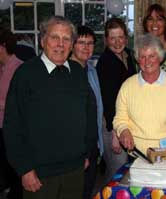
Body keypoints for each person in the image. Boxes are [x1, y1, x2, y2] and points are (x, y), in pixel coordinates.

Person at [3, 16, 96, 199]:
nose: (60, 44)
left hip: (75, 170)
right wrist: (24, 169)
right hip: (39, 174)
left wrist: (87, 152)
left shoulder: (78, 73)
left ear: (71, 44)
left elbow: (90, 115)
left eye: (66, 39)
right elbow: (12, 125)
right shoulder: (25, 74)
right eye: (55, 37)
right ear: (42, 41)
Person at [113, 33, 166, 155]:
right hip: (136, 154)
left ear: (160, 58)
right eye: (142, 57)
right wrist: (123, 130)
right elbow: (120, 119)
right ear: (137, 59)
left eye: (152, 56)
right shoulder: (127, 86)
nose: (147, 61)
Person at [96, 17, 137, 185]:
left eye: (120, 37)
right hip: (111, 126)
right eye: (112, 38)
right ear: (106, 40)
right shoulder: (106, 62)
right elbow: (108, 100)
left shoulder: (129, 56)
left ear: (126, 38)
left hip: (126, 123)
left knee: (121, 171)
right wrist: (115, 134)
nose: (117, 42)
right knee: (118, 171)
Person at [70, 25, 103, 199]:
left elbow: (96, 109)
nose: (86, 47)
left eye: (90, 43)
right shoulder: (65, 72)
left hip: (91, 144)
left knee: (87, 190)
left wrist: (98, 144)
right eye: (81, 42)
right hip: (75, 148)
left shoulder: (91, 70)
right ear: (72, 45)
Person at [0, 27, 23, 199]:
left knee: (14, 172)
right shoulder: (3, 69)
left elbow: (17, 103)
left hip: (11, 130)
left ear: (2, 46)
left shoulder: (19, 68)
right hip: (2, 128)